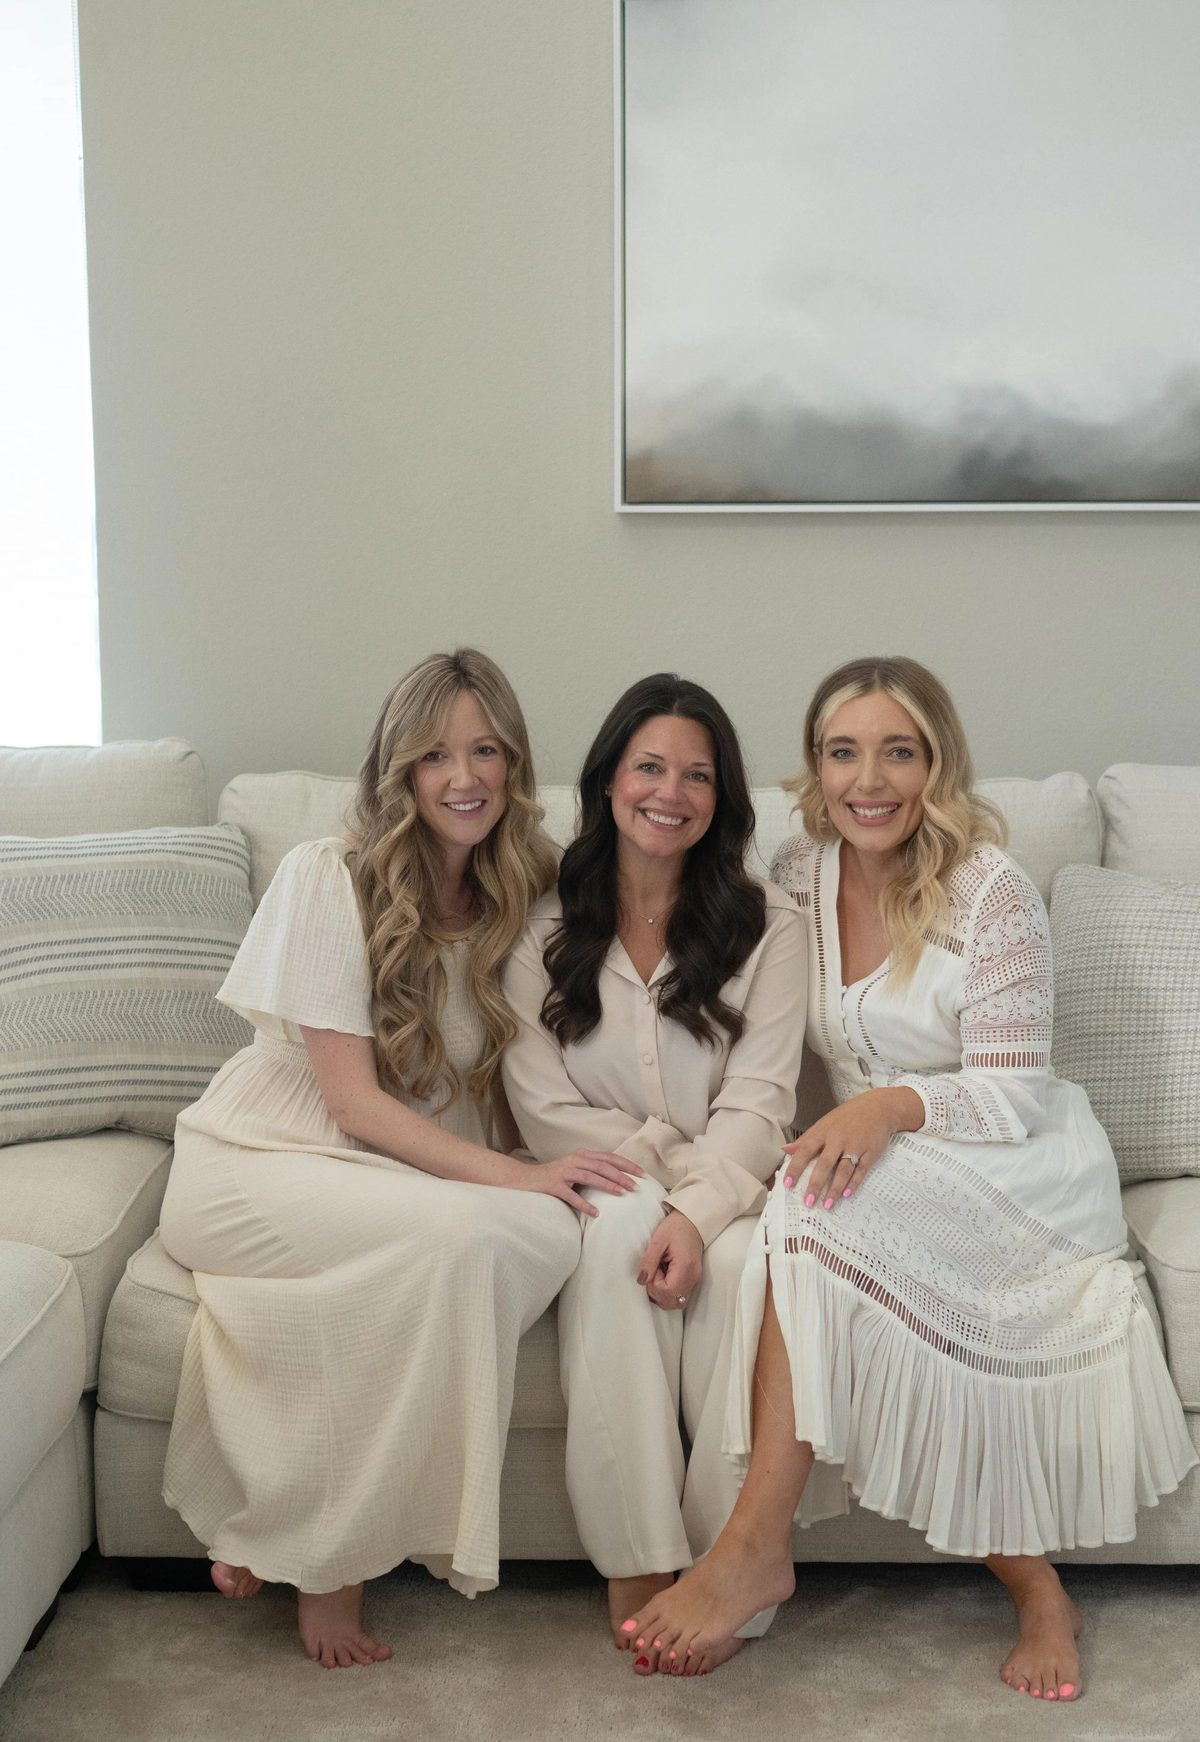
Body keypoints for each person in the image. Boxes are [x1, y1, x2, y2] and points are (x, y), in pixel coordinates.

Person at [622, 656, 1198, 1698]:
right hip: (874, 1158)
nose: (869, 778)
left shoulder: (993, 892)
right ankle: (1026, 1581)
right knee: (807, 1207)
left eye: (899, 750)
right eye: (844, 751)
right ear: (814, 767)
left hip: (1012, 1164)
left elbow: (1014, 1093)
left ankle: (758, 1548)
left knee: (809, 1200)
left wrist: (888, 1104)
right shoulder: (798, 870)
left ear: (938, 764)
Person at [158, 649, 641, 1669]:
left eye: (484, 750)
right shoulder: (328, 873)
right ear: (399, 769)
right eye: (434, 754)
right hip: (269, 1154)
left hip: (406, 1175)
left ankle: (279, 1510)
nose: (462, 775)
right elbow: (350, 1100)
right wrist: (514, 1174)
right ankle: (328, 1559)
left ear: (512, 763)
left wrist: (549, 1162)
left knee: (538, 1228)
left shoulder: (529, 890)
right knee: (488, 1224)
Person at [501, 674, 807, 1677]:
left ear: (721, 798)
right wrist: (666, 1181)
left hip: (736, 1181)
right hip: (605, 1175)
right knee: (613, 1237)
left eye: (697, 774)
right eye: (648, 766)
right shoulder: (538, 922)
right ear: (606, 779)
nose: (669, 791)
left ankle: (728, 1569)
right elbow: (543, 1104)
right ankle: (635, 1560)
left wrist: (698, 1200)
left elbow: (760, 1106)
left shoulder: (772, 922)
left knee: (747, 1266)